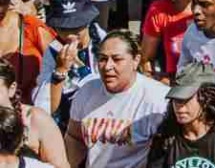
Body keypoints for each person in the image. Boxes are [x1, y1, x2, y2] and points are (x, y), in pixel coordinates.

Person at [64, 30, 169, 168]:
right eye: (102, 59)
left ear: (135, 60)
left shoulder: (159, 99)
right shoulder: (87, 92)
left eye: (117, 59)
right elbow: (75, 136)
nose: (108, 67)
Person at [146, 64, 215, 168]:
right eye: (176, 99)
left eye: (186, 98)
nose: (179, 106)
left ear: (207, 97)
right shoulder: (166, 138)